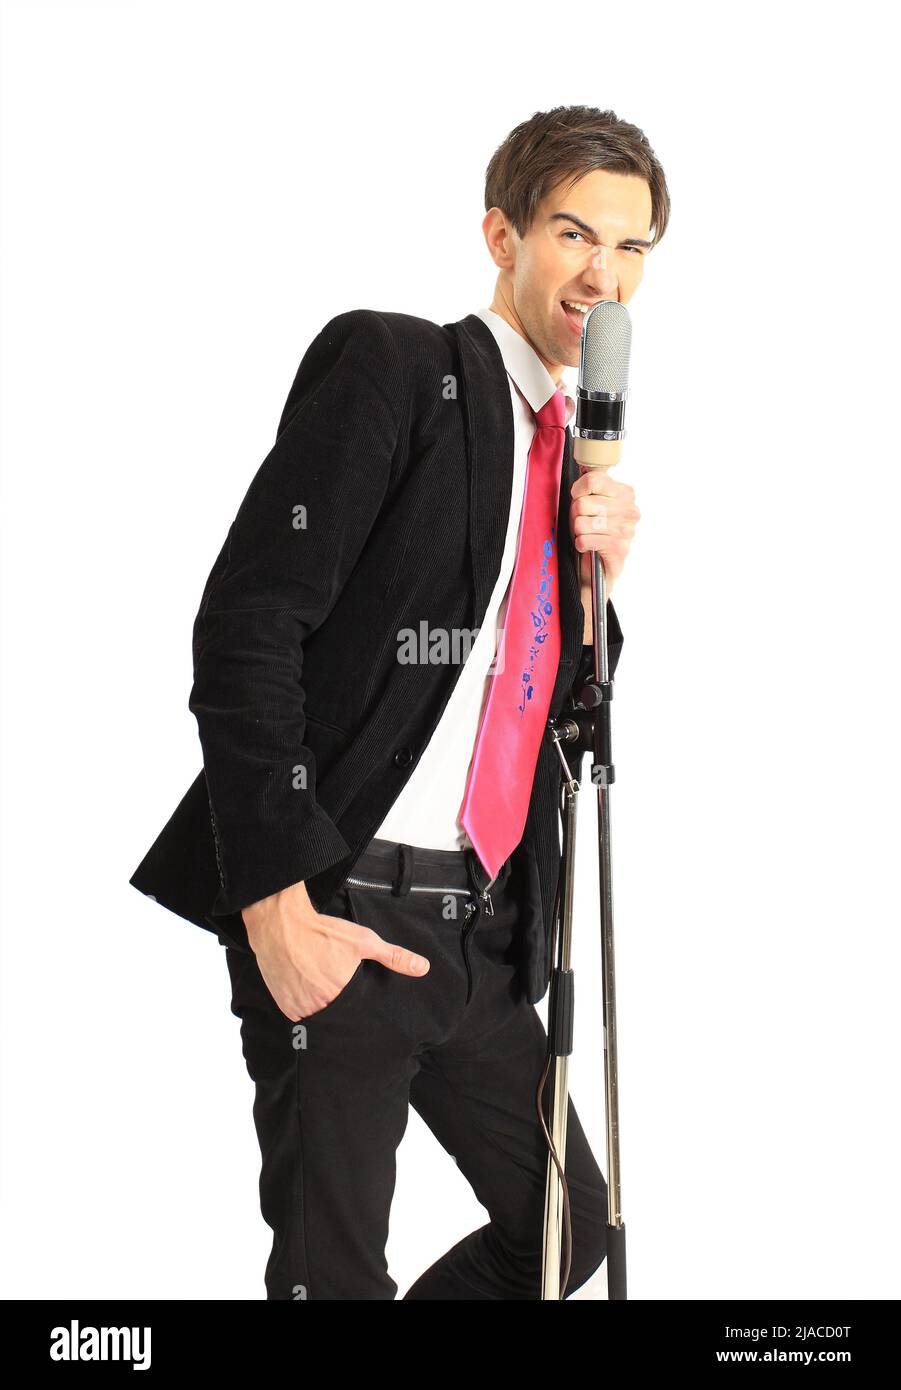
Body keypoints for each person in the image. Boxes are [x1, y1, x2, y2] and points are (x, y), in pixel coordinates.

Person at [129, 103, 670, 1300]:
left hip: (478, 935)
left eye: (632, 249)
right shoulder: (397, 368)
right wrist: (276, 906)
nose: (603, 273)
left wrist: (596, 590)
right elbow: (249, 626)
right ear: (501, 233)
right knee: (334, 1276)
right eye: (575, 233)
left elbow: (556, 725)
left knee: (570, 1233)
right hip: (340, 906)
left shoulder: (570, 458)